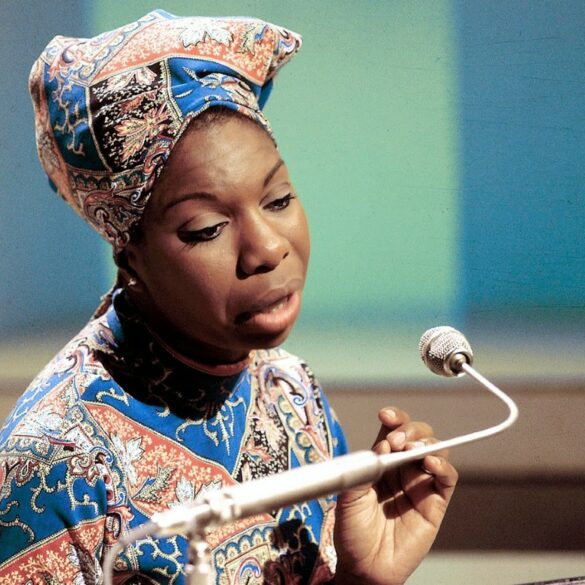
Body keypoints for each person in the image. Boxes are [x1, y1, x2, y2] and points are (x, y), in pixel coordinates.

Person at [0, 10, 457, 584]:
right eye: (207, 228)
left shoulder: (291, 391)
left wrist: (360, 580)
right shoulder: (52, 467)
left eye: (278, 199)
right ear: (130, 253)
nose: (267, 248)